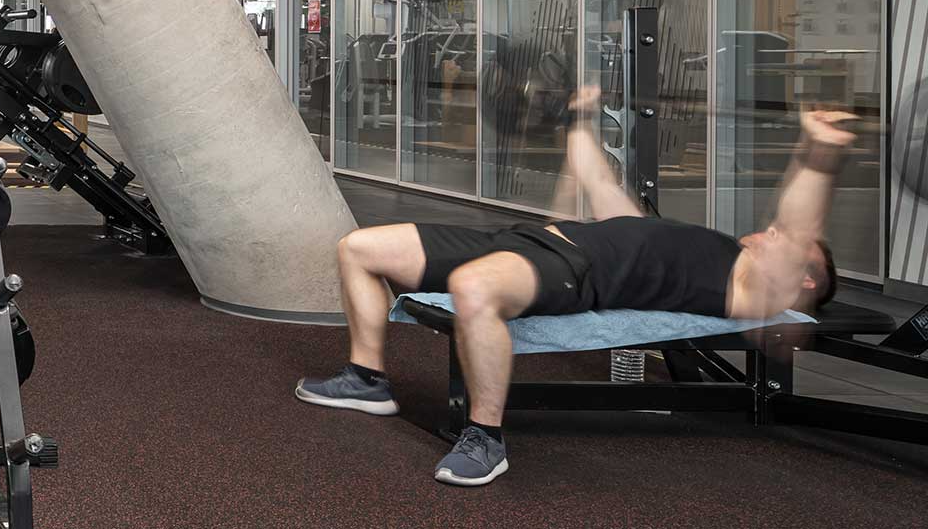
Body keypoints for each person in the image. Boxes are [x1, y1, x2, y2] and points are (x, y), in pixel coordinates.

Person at [294, 86, 857, 487]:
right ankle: (367, 380)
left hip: (575, 270)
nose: (771, 231)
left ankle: (485, 438)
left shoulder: (755, 286)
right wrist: (581, 119)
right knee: (359, 248)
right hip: (521, 239)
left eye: (785, 239)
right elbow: (600, 184)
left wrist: (819, 154)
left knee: (473, 288)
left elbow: (801, 221)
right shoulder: (700, 242)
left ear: (803, 278)